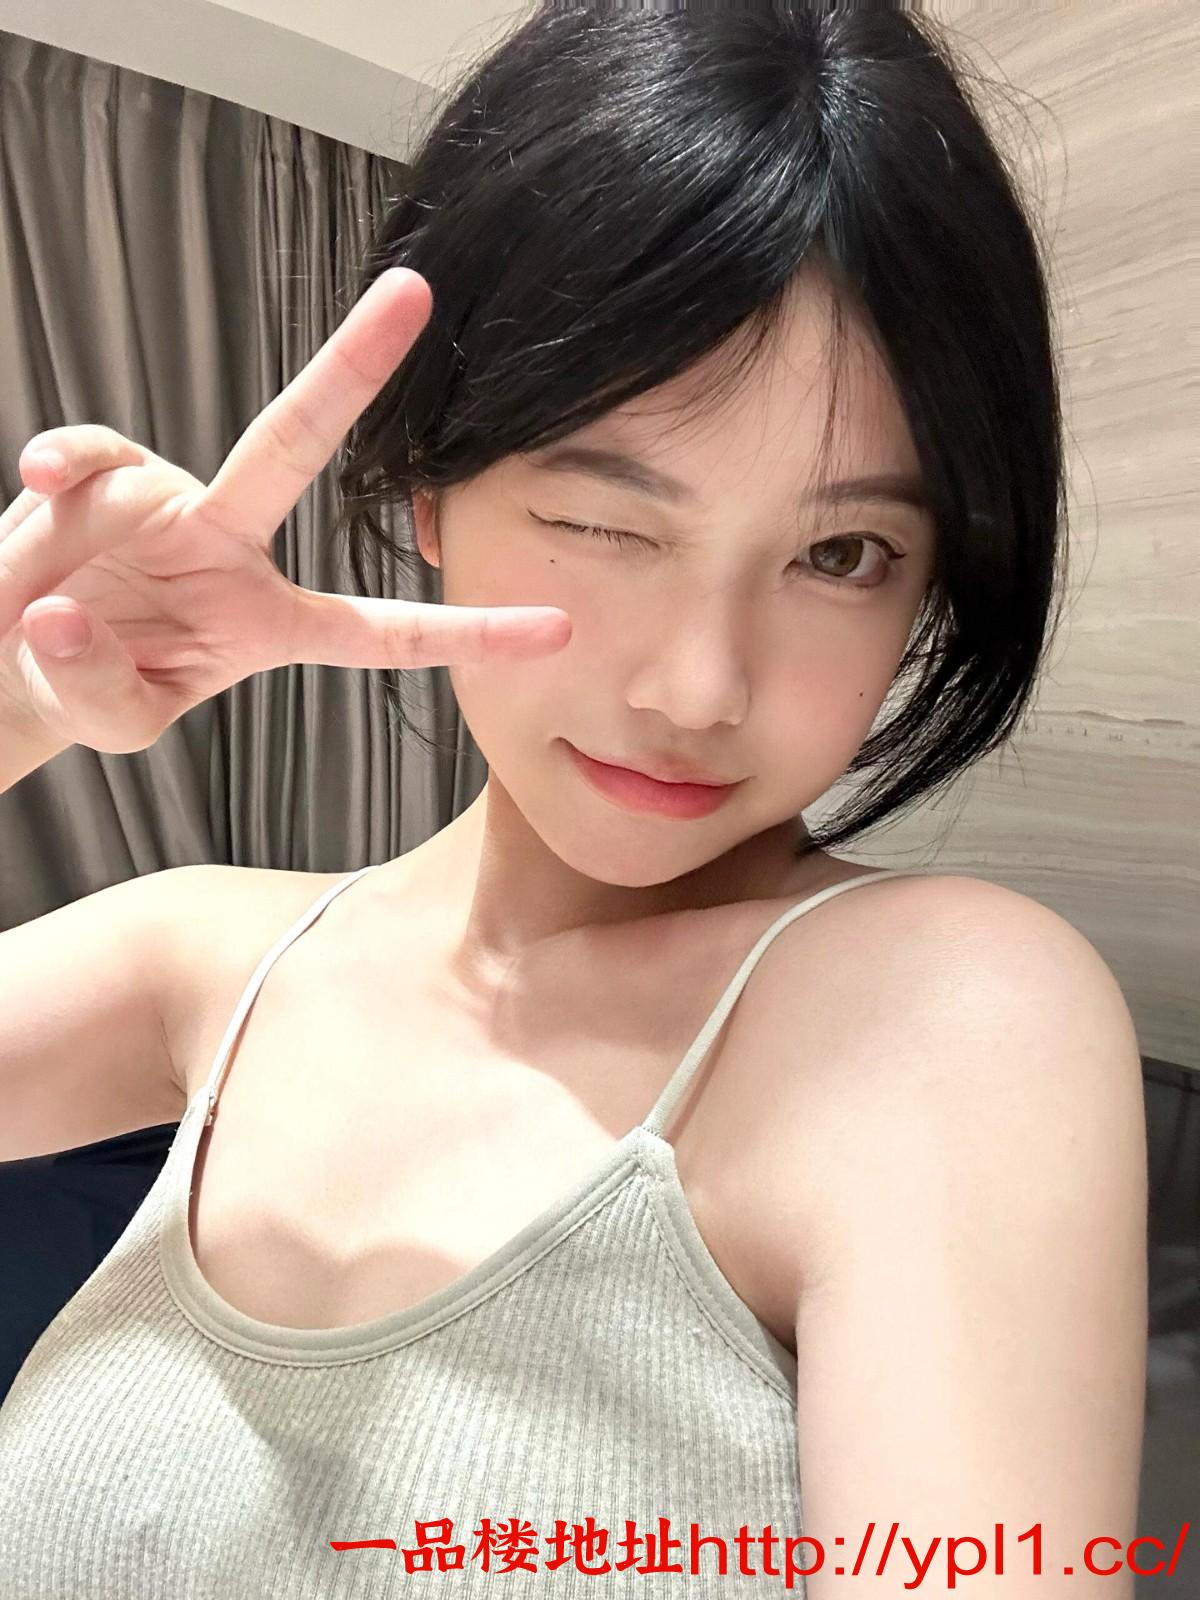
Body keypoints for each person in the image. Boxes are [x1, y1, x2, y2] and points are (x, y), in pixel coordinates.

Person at [0, 3, 1147, 1596]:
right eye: (610, 520)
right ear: (427, 483)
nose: (700, 686)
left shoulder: (939, 1018)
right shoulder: (200, 959)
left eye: (842, 554)